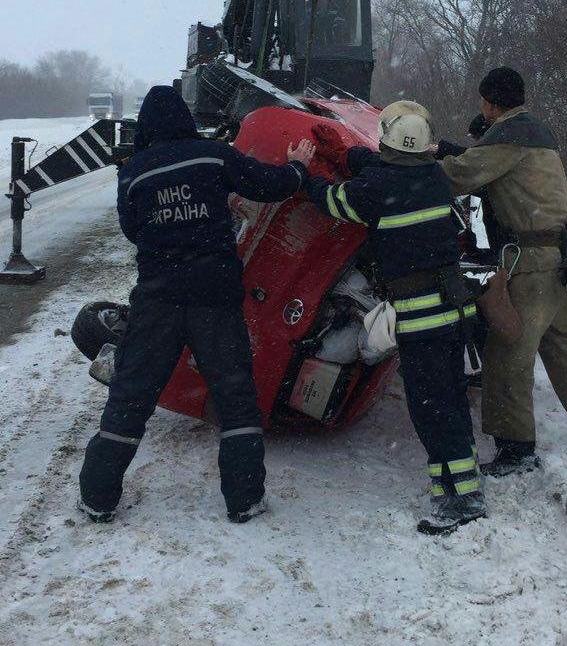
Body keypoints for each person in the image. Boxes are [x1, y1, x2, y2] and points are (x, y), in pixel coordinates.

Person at [78, 85, 316, 524]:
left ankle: (98, 496)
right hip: (214, 296)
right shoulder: (212, 155)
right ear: (184, 118)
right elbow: (267, 186)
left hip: (157, 300)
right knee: (234, 394)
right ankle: (244, 499)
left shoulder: (133, 173)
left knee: (131, 395)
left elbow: (133, 232)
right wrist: (298, 169)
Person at [437, 68, 567, 476]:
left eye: (483, 101)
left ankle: (516, 450)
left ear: (491, 103)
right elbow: (494, 174)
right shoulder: (536, 131)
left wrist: (412, 163)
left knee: (507, 351)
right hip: (560, 255)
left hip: (530, 263)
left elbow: (459, 176)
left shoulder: (508, 135)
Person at [305, 100, 485, 535]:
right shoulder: (437, 179)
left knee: (431, 409)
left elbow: (333, 199)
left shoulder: (376, 190)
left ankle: (459, 502)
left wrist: (301, 171)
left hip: (421, 320)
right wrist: (345, 153)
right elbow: (389, 168)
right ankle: (466, 485)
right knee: (451, 399)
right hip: (455, 310)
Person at [447, 113, 567, 357]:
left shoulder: (503, 159)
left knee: (546, 316)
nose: (476, 145)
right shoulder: (521, 154)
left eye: (478, 139)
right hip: (551, 245)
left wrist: (443, 153)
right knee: (565, 307)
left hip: (536, 250)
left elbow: (473, 172)